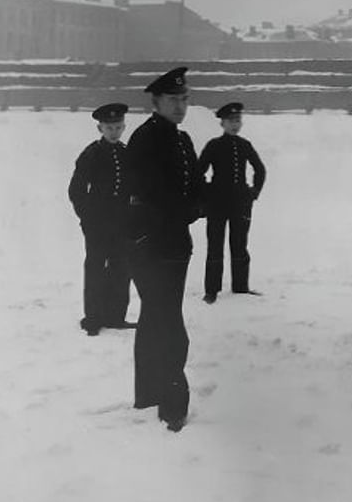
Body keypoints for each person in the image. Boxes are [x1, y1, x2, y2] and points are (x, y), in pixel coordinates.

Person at [124, 66, 203, 432]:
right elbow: (155, 194)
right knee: (169, 324)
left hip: (174, 245)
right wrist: (190, 209)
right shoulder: (146, 139)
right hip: (151, 245)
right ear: (156, 102)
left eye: (184, 99)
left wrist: (206, 202)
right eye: (173, 100)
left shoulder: (181, 139)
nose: (180, 105)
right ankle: (173, 407)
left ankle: (148, 394)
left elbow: (195, 184)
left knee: (157, 319)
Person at [67, 102, 134, 336]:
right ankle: (93, 319)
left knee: (121, 268)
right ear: (100, 128)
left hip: (122, 224)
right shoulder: (91, 154)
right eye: (109, 128)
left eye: (118, 127)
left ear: (123, 127)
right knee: (96, 268)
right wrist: (87, 219)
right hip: (97, 225)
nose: (114, 132)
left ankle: (116, 316)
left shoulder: (127, 154)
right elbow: (76, 190)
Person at [198, 102, 267, 304]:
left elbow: (260, 170)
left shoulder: (245, 145)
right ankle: (211, 290)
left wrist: (253, 193)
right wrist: (207, 194)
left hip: (240, 203)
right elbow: (198, 172)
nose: (235, 125)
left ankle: (241, 286)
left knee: (240, 244)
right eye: (230, 121)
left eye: (238, 120)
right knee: (215, 246)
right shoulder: (214, 145)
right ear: (222, 123)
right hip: (217, 203)